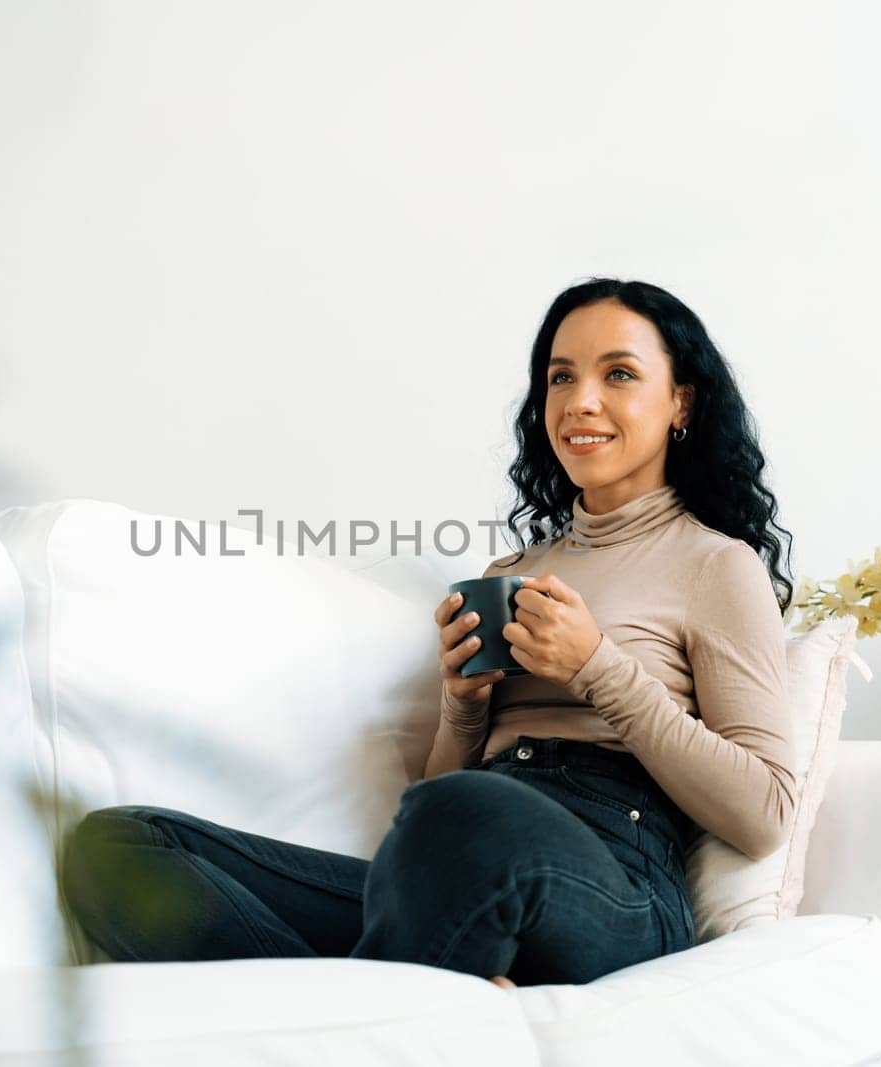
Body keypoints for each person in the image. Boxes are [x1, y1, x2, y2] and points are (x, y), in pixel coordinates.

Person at [61, 277, 798, 989]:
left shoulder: (715, 564)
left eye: (620, 373)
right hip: (457, 866)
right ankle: (405, 1003)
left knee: (465, 816)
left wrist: (599, 665)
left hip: (614, 881)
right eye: (560, 376)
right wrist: (464, 703)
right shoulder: (515, 568)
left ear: (681, 402)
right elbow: (443, 798)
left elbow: (763, 812)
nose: (582, 400)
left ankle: (387, 999)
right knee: (119, 847)